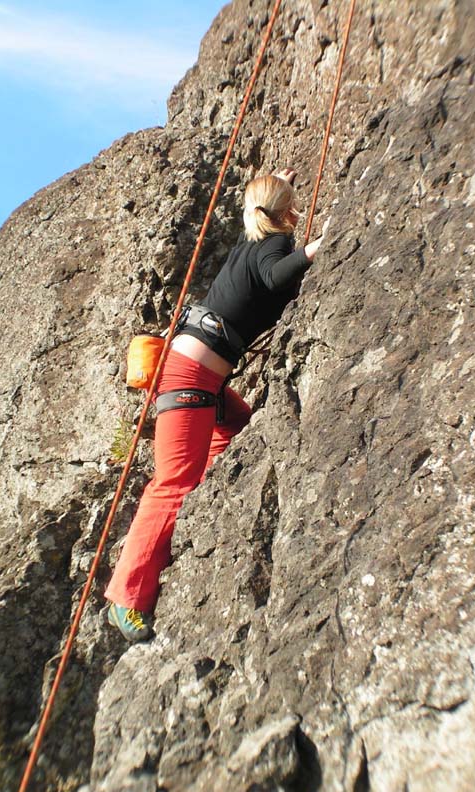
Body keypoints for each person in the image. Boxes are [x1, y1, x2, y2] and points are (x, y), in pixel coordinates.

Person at [105, 168, 328, 641]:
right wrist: (313, 248)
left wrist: (275, 188)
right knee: (174, 481)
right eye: (291, 207)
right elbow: (274, 275)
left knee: (242, 431)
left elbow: (262, 251)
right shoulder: (276, 244)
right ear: (285, 214)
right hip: (190, 377)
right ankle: (126, 598)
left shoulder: (247, 245)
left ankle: (206, 512)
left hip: (197, 373)